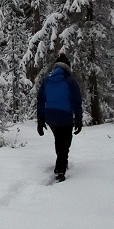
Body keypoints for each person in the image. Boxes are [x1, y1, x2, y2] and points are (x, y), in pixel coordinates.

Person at [37, 52, 83, 181]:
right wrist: (78, 119)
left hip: (50, 116)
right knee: (65, 141)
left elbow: (40, 100)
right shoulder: (70, 81)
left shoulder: (47, 80)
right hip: (65, 116)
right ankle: (60, 170)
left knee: (59, 139)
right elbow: (76, 102)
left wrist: (40, 119)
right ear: (68, 67)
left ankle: (62, 163)